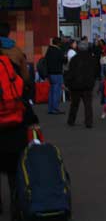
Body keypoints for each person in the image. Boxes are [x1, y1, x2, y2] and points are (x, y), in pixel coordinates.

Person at [0, 58, 39, 218]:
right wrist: (32, 120)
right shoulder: (10, 66)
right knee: (15, 173)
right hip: (15, 129)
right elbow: (23, 93)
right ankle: (16, 208)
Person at [64, 41, 99, 128]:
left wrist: (68, 83)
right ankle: (88, 122)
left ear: (78, 48)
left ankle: (71, 120)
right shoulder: (92, 59)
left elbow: (70, 72)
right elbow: (96, 71)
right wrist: (93, 80)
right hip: (88, 85)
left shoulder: (74, 59)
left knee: (74, 104)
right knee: (88, 104)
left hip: (75, 85)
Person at [44, 37, 66, 115]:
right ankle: (55, 108)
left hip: (50, 73)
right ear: (59, 43)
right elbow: (64, 60)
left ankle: (51, 108)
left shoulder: (49, 50)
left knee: (52, 91)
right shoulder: (58, 51)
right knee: (57, 91)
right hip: (57, 73)